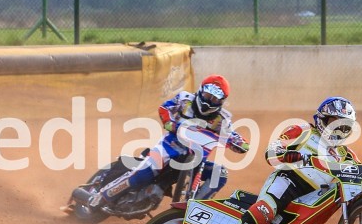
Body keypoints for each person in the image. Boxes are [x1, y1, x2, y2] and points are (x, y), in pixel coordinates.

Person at [210, 97, 358, 224]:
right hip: (287, 181)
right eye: (334, 122)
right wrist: (288, 155)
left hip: (311, 200)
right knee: (264, 210)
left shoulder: (345, 154)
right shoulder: (304, 130)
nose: (338, 130)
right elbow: (272, 151)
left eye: (343, 126)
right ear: (322, 119)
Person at [87, 75, 249, 209]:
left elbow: (234, 137)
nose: (209, 101)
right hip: (169, 145)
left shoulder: (223, 120)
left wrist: (240, 144)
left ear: (221, 101)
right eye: (207, 95)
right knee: (143, 174)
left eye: (214, 98)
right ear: (201, 90)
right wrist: (171, 124)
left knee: (219, 173)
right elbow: (164, 108)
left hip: (196, 155)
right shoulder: (185, 99)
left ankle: (195, 208)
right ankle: (101, 196)